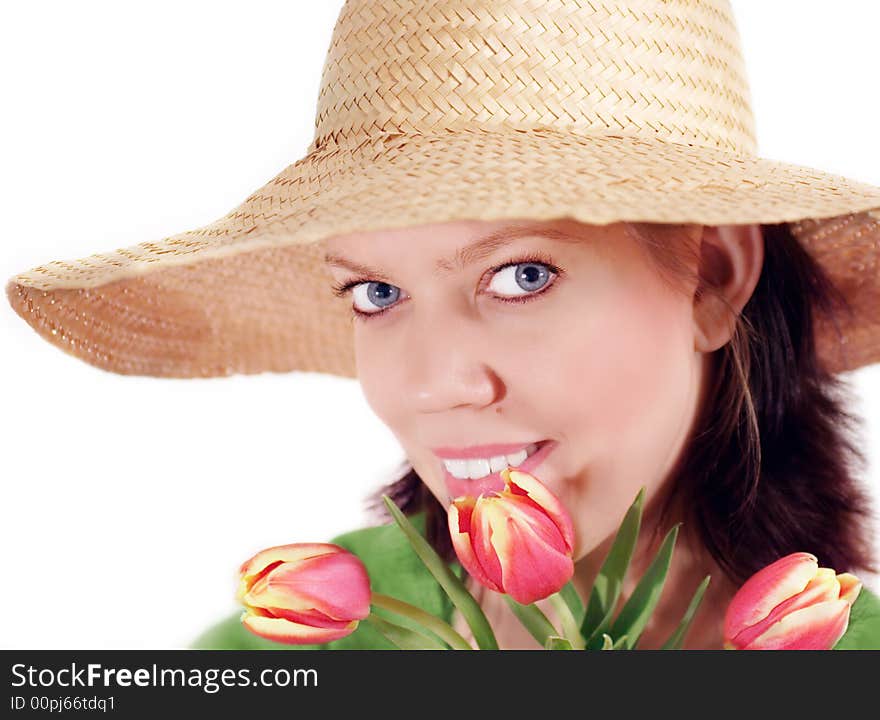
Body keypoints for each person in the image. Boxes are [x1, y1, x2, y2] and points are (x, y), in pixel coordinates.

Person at [6, 0, 880, 649]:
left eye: (521, 276)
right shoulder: (279, 653)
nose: (430, 383)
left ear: (713, 276)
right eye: (375, 294)